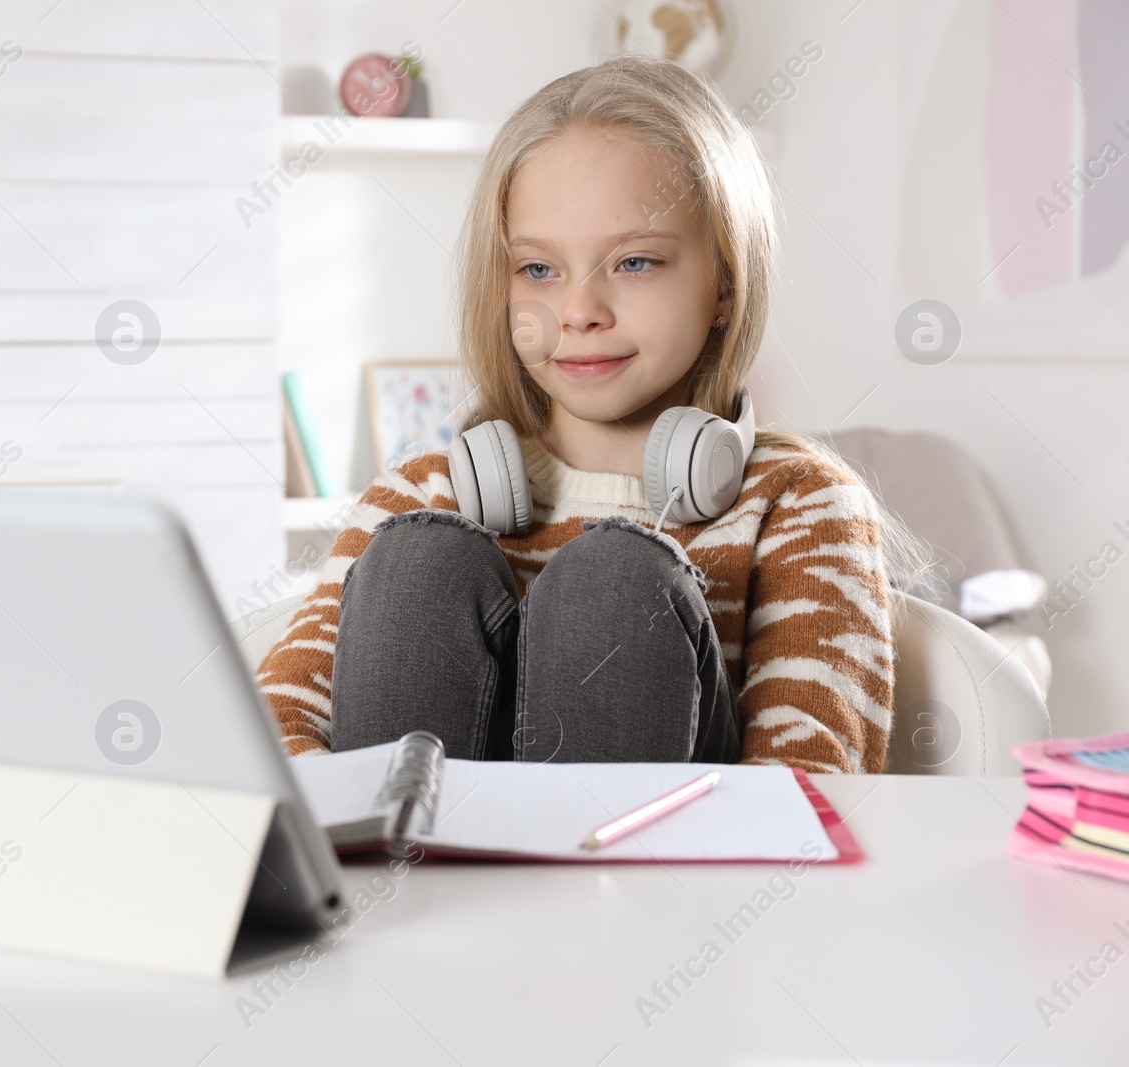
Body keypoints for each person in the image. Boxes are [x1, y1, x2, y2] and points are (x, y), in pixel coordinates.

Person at [256, 56, 909, 774]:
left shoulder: (800, 505)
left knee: (614, 584)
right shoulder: (420, 494)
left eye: (634, 263)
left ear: (725, 278)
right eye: (538, 269)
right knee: (418, 560)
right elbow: (273, 735)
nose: (579, 312)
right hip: (419, 883)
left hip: (677, 877)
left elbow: (809, 794)